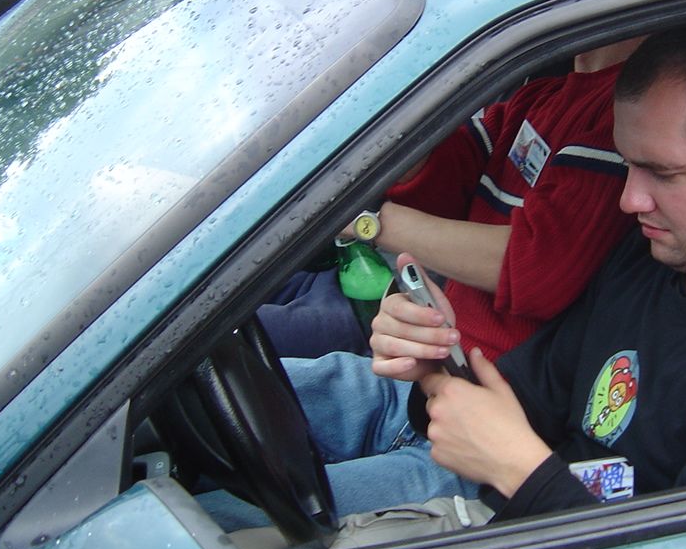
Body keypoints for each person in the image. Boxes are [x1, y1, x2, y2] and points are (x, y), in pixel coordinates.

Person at [286, 15, 686, 522]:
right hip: (519, 505)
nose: (629, 200)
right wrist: (434, 369)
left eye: (665, 173)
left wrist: (521, 471)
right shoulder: (650, 261)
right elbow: (531, 393)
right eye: (628, 166)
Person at [260, 37, 644, 359]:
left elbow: (540, 266)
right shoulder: (542, 96)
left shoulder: (624, 118)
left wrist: (368, 220)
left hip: (487, 394)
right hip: (432, 356)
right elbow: (444, 183)